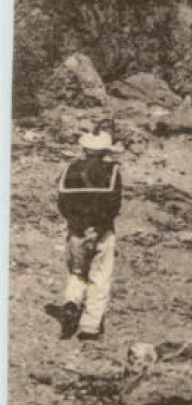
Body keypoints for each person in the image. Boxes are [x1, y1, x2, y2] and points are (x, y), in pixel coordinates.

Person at [50, 130, 123, 340]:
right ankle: (90, 326)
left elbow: (63, 204)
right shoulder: (112, 172)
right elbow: (113, 206)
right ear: (105, 151)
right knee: (100, 277)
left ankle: (71, 303)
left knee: (77, 272)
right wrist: (96, 229)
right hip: (102, 231)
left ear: (84, 148)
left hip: (76, 230)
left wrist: (80, 226)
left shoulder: (70, 170)